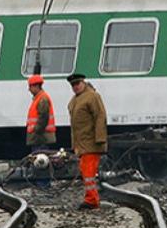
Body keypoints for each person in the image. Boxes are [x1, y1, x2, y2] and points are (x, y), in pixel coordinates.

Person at [66, 73, 108, 209]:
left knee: (89, 172)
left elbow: (100, 116)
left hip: (91, 143)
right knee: (85, 171)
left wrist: (100, 139)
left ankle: (92, 200)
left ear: (83, 82)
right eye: (73, 85)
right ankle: (91, 198)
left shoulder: (92, 97)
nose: (75, 87)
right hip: (82, 143)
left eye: (77, 84)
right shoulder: (76, 99)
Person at [26, 74, 57, 188]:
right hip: (39, 137)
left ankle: (43, 185)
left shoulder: (42, 99)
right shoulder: (39, 98)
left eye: (30, 86)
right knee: (38, 160)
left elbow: (43, 118)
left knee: (41, 162)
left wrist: (36, 130)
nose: (29, 89)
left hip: (41, 137)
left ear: (36, 86)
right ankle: (41, 184)